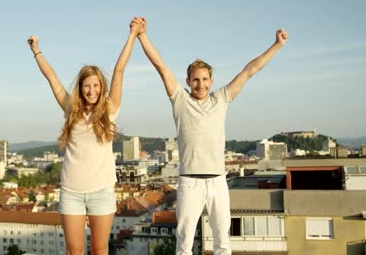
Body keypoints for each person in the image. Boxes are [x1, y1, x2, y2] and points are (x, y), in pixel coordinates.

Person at [132, 17, 289, 255]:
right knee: (183, 244)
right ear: (188, 81)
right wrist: (142, 35)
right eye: (196, 79)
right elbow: (162, 67)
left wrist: (276, 45)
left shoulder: (221, 99)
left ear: (211, 81)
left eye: (205, 79)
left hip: (217, 182)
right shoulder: (180, 100)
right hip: (189, 182)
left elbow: (249, 71)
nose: (200, 84)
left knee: (222, 243)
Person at [27, 18, 141, 255]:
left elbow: (119, 70)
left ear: (102, 88)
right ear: (80, 88)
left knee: (100, 251)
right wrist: (36, 50)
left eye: (96, 86)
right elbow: (53, 78)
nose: (92, 91)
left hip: (102, 192)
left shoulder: (110, 110)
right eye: (87, 86)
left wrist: (133, 34)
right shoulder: (70, 109)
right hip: (71, 193)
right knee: (74, 251)